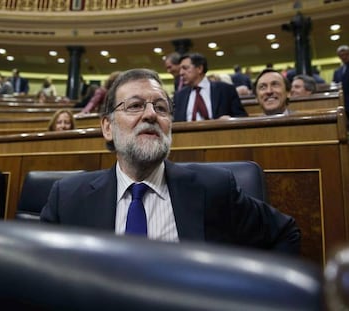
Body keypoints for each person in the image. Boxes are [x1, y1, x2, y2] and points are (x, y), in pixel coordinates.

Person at [41, 68, 301, 254]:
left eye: (161, 108)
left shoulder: (214, 188)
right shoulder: (68, 197)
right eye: (134, 106)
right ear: (107, 128)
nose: (151, 115)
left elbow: (285, 232)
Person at [173, 53, 248, 121]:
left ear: (199, 68)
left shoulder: (225, 90)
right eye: (180, 69)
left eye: (185, 68)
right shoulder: (179, 96)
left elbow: (242, 117)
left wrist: (230, 120)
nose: (181, 73)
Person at [332, 45, 349, 117]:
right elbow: (334, 84)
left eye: (346, 54)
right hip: (343, 103)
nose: (344, 57)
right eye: (341, 55)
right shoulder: (338, 71)